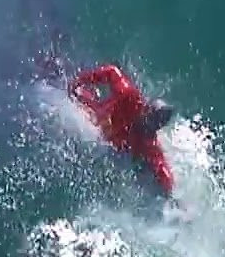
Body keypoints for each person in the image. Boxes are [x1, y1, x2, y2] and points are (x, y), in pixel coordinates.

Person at [70, 64, 175, 196]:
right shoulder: (131, 97)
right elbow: (111, 71)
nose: (149, 125)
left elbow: (161, 167)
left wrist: (170, 192)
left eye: (154, 125)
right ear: (146, 109)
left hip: (112, 148)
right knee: (75, 96)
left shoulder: (148, 142)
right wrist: (79, 81)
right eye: (151, 118)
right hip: (98, 115)